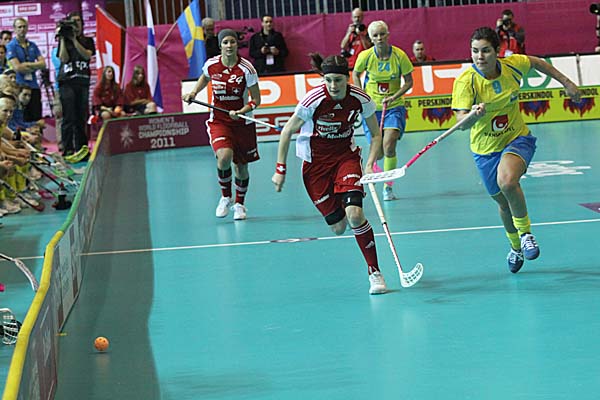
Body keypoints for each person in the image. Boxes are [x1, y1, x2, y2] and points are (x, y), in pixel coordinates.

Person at [451, 27, 581, 274]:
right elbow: (460, 123)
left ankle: (526, 234)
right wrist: (472, 115)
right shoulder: (466, 82)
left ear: (497, 51)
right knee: (503, 203)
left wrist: (567, 83)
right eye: (475, 51)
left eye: (486, 51)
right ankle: (515, 246)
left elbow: (539, 63)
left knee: (508, 182)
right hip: (485, 149)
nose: (479, 56)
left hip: (516, 138)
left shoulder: (513, 66)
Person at [271, 53, 388, 295]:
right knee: (339, 227)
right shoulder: (313, 100)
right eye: (328, 80)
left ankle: (375, 272)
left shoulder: (361, 99)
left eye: (338, 80)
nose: (333, 86)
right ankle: (341, 202)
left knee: (355, 214)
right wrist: (280, 169)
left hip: (346, 158)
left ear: (347, 79)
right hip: (315, 166)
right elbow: (287, 131)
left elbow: (376, 134)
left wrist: (369, 164)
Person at [182, 29, 261, 221]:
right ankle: (225, 197)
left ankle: (239, 204)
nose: (229, 45)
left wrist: (242, 111)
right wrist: (193, 93)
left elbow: (256, 100)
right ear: (220, 45)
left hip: (242, 123)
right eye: (225, 42)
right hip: (219, 121)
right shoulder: (211, 65)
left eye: (232, 42)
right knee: (224, 156)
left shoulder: (247, 69)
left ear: (237, 44)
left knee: (241, 167)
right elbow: (205, 77)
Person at [352, 21, 414, 201]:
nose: (379, 38)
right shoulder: (365, 56)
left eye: (382, 34)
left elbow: (409, 82)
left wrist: (394, 96)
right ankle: (378, 168)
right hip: (372, 109)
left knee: (389, 144)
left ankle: (388, 187)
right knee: (378, 153)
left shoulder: (399, 56)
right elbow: (355, 73)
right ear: (371, 38)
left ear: (388, 34)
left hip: (394, 107)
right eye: (375, 35)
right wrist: (362, 95)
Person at [57, 11, 95, 158]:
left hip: (82, 82)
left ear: (82, 24)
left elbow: (86, 55)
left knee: (81, 117)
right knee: (68, 116)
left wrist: (74, 40)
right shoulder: (64, 41)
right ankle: (67, 149)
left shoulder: (88, 40)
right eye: (72, 21)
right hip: (66, 82)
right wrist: (62, 38)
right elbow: (63, 58)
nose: (75, 24)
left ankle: (82, 149)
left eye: (78, 21)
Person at [6, 17, 46, 123]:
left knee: (36, 119)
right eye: (19, 27)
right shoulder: (11, 46)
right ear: (14, 29)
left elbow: (43, 64)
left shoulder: (33, 45)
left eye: (24, 27)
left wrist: (27, 64)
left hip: (34, 86)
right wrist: (35, 65)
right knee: (22, 120)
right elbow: (18, 67)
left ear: (27, 28)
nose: (22, 29)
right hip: (19, 87)